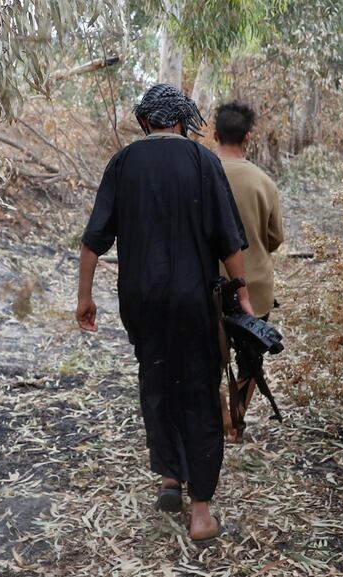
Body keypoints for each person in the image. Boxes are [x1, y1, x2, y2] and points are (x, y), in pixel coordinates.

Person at [76, 84, 253, 546]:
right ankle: (200, 515)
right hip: (194, 302)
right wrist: (244, 296)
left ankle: (171, 478)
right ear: (182, 121)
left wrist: (84, 297)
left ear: (146, 122)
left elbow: (94, 239)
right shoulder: (203, 162)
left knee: (156, 380)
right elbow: (229, 242)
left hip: (142, 302)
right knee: (197, 387)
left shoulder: (123, 164)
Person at [214, 101, 284, 443]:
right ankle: (236, 424)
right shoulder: (264, 182)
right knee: (250, 358)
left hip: (206, 285)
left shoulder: (202, 173)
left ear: (214, 135)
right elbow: (275, 239)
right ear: (248, 138)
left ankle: (219, 409)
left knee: (209, 356)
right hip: (254, 287)